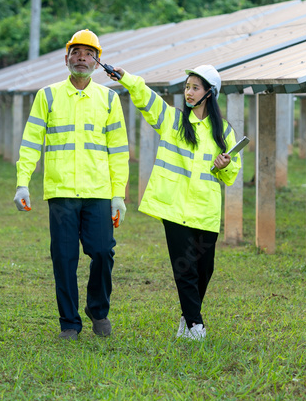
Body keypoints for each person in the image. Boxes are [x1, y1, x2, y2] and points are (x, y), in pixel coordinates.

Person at [111, 63, 240, 341]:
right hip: (174, 206)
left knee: (205, 268)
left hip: (205, 209)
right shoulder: (172, 121)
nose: (189, 92)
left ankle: (186, 317)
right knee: (185, 268)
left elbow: (230, 175)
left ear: (209, 93)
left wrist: (224, 164)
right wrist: (127, 78)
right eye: (187, 87)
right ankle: (196, 325)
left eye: (195, 87)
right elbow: (147, 100)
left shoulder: (224, 133)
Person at [13, 29, 129, 340]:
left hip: (98, 193)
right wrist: (22, 183)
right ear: (66, 59)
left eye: (88, 54)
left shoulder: (109, 99)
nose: (81, 58)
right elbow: (31, 141)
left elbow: (119, 151)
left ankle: (98, 310)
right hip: (61, 192)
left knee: (103, 252)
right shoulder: (47, 96)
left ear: (97, 62)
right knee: (64, 258)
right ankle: (69, 323)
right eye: (76, 53)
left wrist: (118, 195)